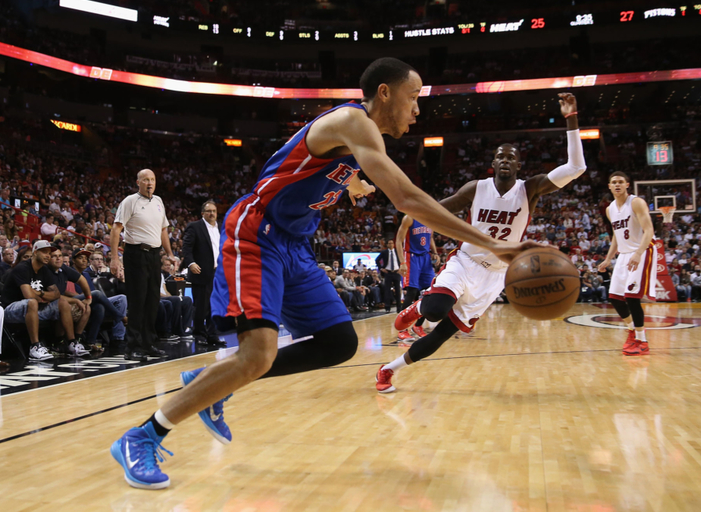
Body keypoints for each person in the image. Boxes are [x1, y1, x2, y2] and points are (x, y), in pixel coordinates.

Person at [111, 57, 547, 489]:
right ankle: (143, 435)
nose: (418, 111)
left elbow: (334, 170)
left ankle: (215, 384)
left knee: (339, 343)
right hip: (257, 233)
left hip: (294, 246)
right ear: (385, 92)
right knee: (257, 352)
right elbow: (407, 199)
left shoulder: (359, 142)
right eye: (414, 97)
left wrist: (353, 182)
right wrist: (495, 244)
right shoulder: (354, 122)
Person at [378, 92, 586, 393]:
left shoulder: (531, 189)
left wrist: (571, 119)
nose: (505, 160)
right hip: (466, 261)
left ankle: (387, 370)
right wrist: (410, 211)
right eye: (500, 156)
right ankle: (418, 306)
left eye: (511, 157)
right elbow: (437, 209)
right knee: (435, 310)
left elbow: (575, 168)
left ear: (518, 165)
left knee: (441, 335)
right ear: (493, 162)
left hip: (495, 276)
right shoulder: (477, 188)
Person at [110, 169, 176, 361]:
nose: (150, 183)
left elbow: (163, 230)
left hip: (155, 255)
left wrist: (170, 254)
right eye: (146, 180)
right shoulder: (130, 201)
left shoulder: (158, 201)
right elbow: (116, 229)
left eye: (153, 180)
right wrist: (115, 258)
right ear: (138, 182)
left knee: (152, 301)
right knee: (138, 301)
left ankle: (148, 343)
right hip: (136, 253)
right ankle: (132, 347)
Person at [597, 171, 657, 356]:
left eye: (620, 182)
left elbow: (649, 230)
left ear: (627, 185)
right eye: (613, 182)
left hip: (643, 249)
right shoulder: (610, 209)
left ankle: (642, 341)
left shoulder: (636, 202)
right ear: (609, 186)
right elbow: (616, 235)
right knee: (615, 297)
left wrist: (639, 253)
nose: (617, 185)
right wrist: (608, 258)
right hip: (623, 254)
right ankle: (633, 330)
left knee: (631, 297)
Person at [0, 240, 89, 361]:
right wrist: (43, 296)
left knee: (63, 303)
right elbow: (28, 296)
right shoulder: (22, 268)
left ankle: (71, 343)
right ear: (35, 253)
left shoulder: (44, 270)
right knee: (32, 302)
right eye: (44, 252)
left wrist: (40, 293)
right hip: (11, 310)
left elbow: (56, 294)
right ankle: (35, 347)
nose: (47, 255)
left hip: (36, 308)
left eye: (49, 253)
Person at [181, 200, 226, 346]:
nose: (212, 213)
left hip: (218, 273)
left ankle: (213, 334)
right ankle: (199, 334)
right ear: (202, 213)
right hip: (201, 272)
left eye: (214, 211)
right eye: (209, 211)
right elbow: (186, 248)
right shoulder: (194, 227)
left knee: (216, 305)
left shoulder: (220, 228)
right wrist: (191, 263)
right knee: (201, 306)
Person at [395, 215, 439, 340]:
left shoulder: (429, 219)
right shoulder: (409, 218)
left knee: (430, 291)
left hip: (425, 257)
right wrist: (402, 262)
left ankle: (418, 326)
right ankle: (402, 330)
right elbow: (398, 240)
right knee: (411, 292)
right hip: (411, 257)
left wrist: (435, 252)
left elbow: (430, 237)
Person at [376, 239, 403, 312]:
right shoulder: (384, 252)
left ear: (394, 244)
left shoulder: (397, 251)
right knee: (387, 290)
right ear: (387, 245)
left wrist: (401, 267)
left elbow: (403, 259)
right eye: (389, 243)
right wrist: (381, 268)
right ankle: (387, 308)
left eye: (392, 243)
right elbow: (377, 260)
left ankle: (399, 308)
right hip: (388, 272)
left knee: (398, 290)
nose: (391, 244)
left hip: (396, 272)